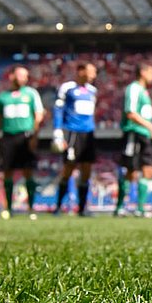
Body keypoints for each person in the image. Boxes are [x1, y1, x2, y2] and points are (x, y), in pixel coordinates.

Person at [0, 65, 44, 220]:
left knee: (28, 171)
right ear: (12, 76)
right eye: (21, 75)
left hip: (25, 137)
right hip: (7, 137)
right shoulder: (3, 97)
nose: (24, 78)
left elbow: (38, 115)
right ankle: (8, 208)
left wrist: (35, 136)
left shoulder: (31, 94)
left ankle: (31, 208)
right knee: (7, 171)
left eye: (26, 76)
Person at [116, 63, 152, 218]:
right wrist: (151, 127)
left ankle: (141, 207)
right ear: (143, 72)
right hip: (133, 133)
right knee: (130, 170)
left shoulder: (144, 92)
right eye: (151, 72)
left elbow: (145, 115)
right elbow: (130, 113)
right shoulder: (134, 88)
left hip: (145, 135)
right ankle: (120, 207)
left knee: (148, 169)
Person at [52, 63, 98, 217]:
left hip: (89, 134)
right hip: (72, 133)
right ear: (81, 71)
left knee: (87, 170)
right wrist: (58, 132)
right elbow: (58, 110)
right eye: (91, 71)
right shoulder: (67, 88)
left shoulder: (93, 91)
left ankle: (82, 208)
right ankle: (58, 206)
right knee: (69, 168)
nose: (94, 75)